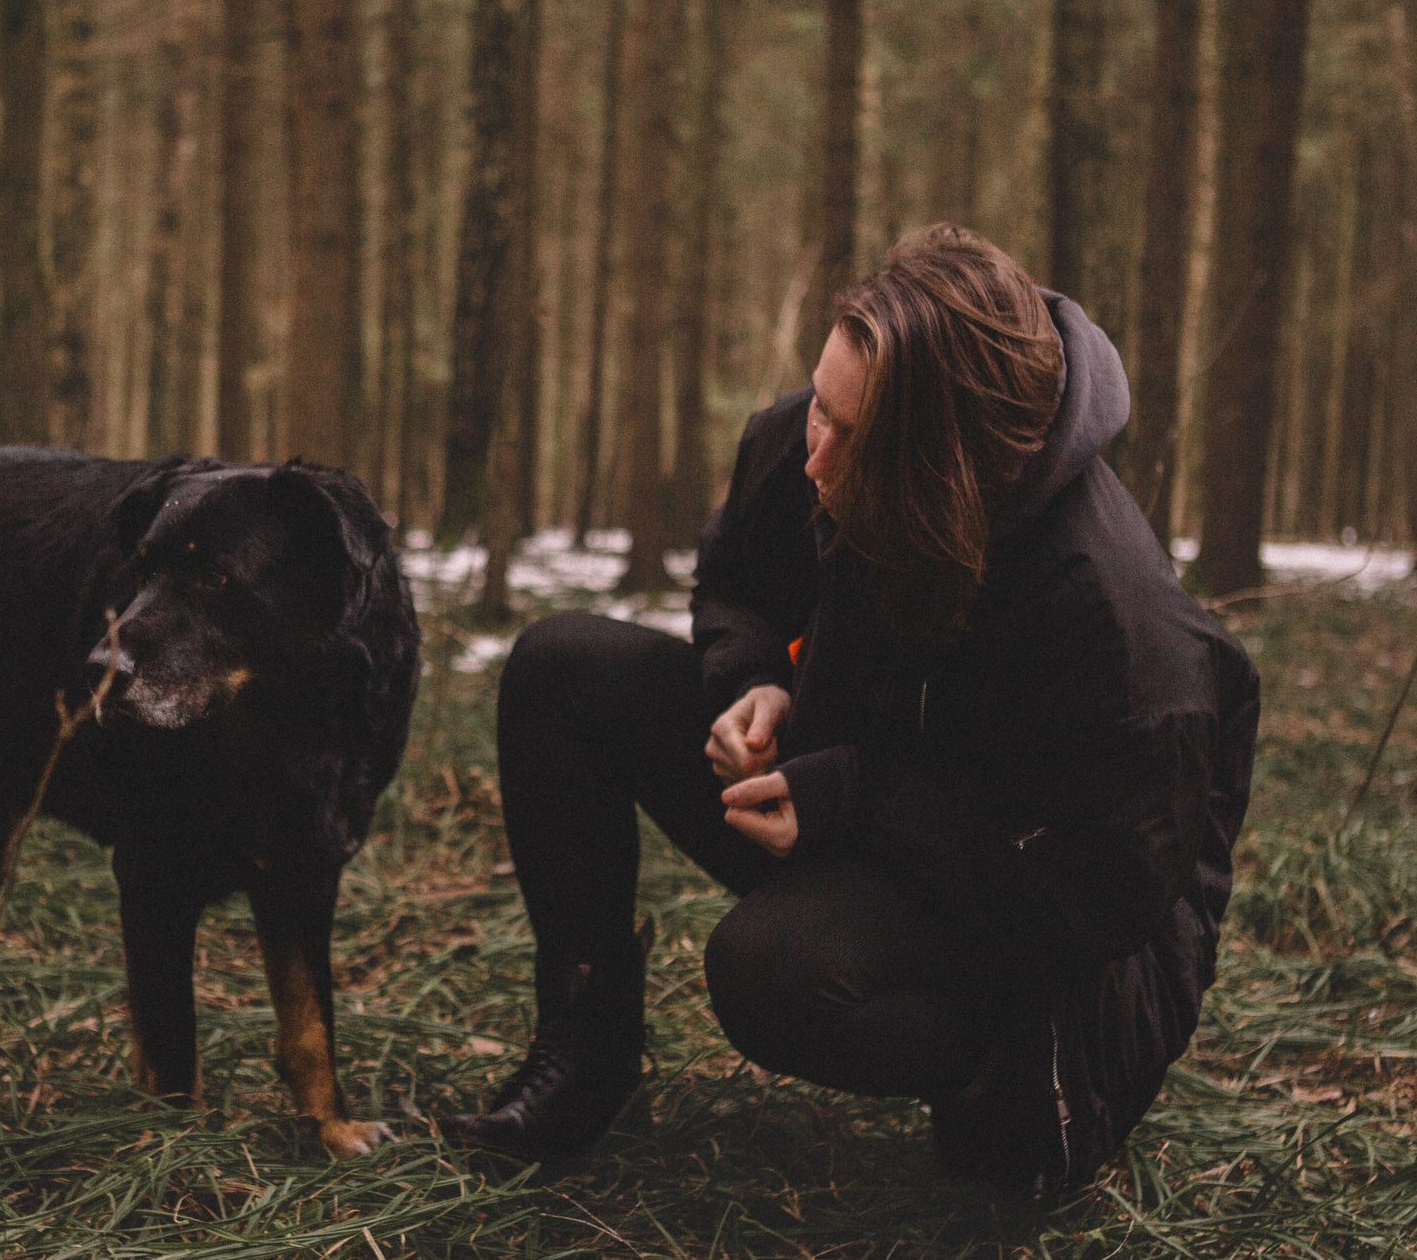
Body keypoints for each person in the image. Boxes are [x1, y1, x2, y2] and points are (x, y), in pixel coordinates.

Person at [440, 225, 1259, 1194]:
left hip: (1064, 966)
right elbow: (736, 575)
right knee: (563, 666)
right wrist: (754, 680)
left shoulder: (1116, 628)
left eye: (844, 433)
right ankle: (585, 1046)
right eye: (815, 407)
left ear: (942, 465)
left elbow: (1091, 894)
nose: (809, 454)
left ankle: (989, 1081)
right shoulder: (830, 430)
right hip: (868, 806)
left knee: (773, 974)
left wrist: (847, 798)